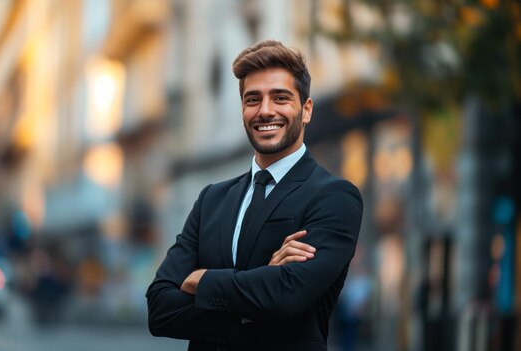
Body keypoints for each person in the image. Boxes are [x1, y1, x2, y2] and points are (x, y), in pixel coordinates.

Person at [146, 40, 363, 351]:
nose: (265, 111)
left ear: (306, 110)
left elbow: (288, 295)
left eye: (280, 98)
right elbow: (160, 309)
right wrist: (255, 301)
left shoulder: (334, 197)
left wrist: (201, 280)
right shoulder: (212, 200)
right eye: (252, 99)